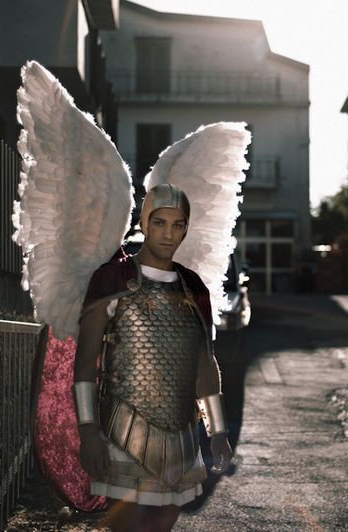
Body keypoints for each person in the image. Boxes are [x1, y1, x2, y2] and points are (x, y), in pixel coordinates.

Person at [71, 183, 233, 531]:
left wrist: (217, 431)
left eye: (178, 225)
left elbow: (204, 363)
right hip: (121, 433)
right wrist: (88, 432)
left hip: (183, 436)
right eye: (160, 222)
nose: (168, 233)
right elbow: (85, 362)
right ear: (144, 222)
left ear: (186, 228)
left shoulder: (193, 287)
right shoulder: (113, 277)